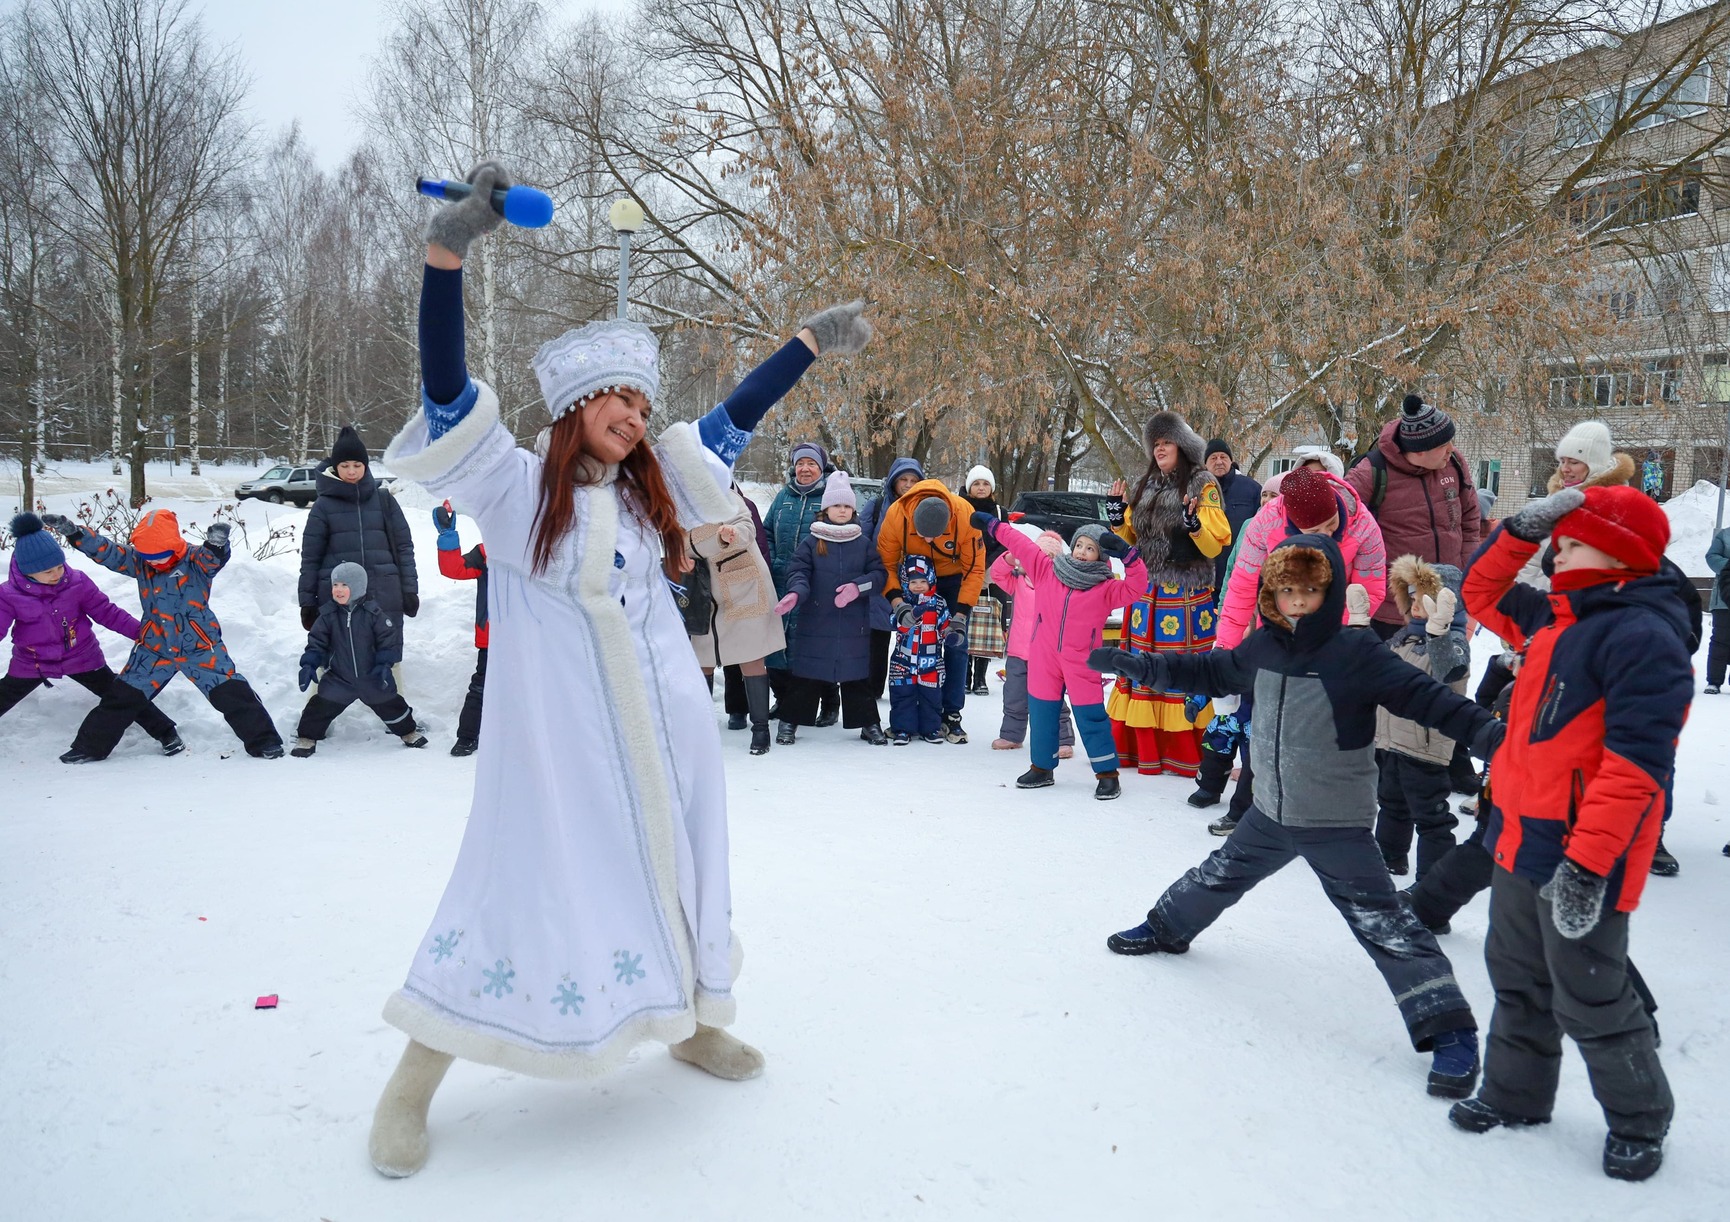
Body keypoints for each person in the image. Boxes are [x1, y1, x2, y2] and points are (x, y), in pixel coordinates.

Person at [364, 160, 870, 1179]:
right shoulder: (510, 490)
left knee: (679, 877)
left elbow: (733, 416)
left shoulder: (654, 494)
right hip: (558, 755)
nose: (635, 415)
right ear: (573, 408)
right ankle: (413, 1080)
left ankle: (684, 1021)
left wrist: (806, 343)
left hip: (667, 738)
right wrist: (447, 253)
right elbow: (443, 387)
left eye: (641, 402)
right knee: (516, 892)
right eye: (615, 400)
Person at [1091, 535, 1502, 1100]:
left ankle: (1450, 1030)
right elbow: (1212, 672)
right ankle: (1167, 928)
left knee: (1384, 923)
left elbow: (1428, 700)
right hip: (1270, 810)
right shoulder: (1264, 647)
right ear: (1272, 594)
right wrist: (1143, 665)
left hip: (1336, 822)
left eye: (1310, 591)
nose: (1297, 602)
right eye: (1286, 591)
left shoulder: (1356, 652)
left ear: (1328, 592)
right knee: (1221, 873)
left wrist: (1490, 736)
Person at [1452, 484, 1687, 1183]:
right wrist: (1520, 528)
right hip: (1519, 839)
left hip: (1586, 855)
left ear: (1617, 552)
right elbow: (1478, 591)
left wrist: (1588, 867)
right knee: (1517, 978)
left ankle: (1641, 1119)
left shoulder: (1643, 636)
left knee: (1590, 993)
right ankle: (1517, 1095)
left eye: (1572, 541)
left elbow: (1637, 768)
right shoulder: (1554, 623)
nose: (1557, 551)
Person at [41, 509, 282, 761]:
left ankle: (265, 742)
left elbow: (212, 559)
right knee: (122, 697)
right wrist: (76, 533)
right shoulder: (141, 562)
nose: (153, 563)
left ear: (174, 548)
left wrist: (216, 544)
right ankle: (88, 748)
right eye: (148, 558)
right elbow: (109, 552)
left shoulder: (194, 560)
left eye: (160, 557)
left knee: (233, 694)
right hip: (154, 646)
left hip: (199, 646)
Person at [976, 515, 1148, 800]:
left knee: (1090, 717)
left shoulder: (1105, 588)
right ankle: (1042, 768)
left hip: (1082, 662)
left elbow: (1137, 586)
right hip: (1043, 657)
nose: (1081, 550)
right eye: (1078, 544)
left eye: (1090, 548)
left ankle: (1107, 773)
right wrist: (994, 526)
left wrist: (1129, 556)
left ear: (1100, 556)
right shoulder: (1048, 570)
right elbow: (1021, 544)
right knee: (1042, 715)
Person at [1104, 411, 1231, 779]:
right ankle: (1142, 746)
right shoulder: (1148, 483)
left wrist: (1194, 526)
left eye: (1166, 443)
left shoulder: (1201, 481)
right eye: (1155, 444)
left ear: (1182, 446)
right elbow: (1134, 539)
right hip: (1146, 592)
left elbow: (1214, 544)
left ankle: (1185, 748)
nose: (1160, 450)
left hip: (1185, 593)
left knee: (1179, 665)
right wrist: (1118, 519)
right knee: (1142, 665)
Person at [1, 512, 180, 753]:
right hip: (32, 660)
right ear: (26, 572)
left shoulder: (77, 583)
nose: (57, 574)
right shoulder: (9, 595)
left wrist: (143, 633)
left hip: (82, 655)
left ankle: (165, 731)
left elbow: (107, 612)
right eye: (48, 572)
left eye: (59, 566)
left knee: (121, 693)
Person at [1187, 476, 1288, 835]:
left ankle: (1244, 806)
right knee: (1217, 740)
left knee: (1253, 750)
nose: (1269, 500)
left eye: (1276, 495)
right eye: (1265, 494)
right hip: (1230, 703)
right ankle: (1208, 786)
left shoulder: (1292, 541)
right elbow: (1234, 572)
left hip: (1260, 703)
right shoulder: (1250, 528)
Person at [1344, 393, 1480, 639]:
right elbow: (1339, 531)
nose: (1451, 450)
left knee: (1442, 676)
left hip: (1446, 603)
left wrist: (1467, 574)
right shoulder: (1370, 474)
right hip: (1392, 612)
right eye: (1442, 446)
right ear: (1418, 452)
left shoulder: (1454, 463)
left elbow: (1469, 520)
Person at [1373, 557, 1470, 879]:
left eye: (1422, 599)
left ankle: (1433, 881)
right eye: (1411, 598)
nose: (1415, 606)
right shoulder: (1404, 638)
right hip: (1391, 740)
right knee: (1391, 803)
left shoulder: (1452, 642)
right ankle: (1390, 858)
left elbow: (1450, 672)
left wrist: (1439, 633)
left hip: (1426, 746)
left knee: (1431, 815)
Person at [773, 472, 887, 744]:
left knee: (857, 676)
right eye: (837, 505)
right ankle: (789, 722)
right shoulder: (812, 542)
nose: (842, 510)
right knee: (807, 675)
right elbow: (798, 571)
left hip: (853, 624)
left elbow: (879, 576)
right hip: (817, 620)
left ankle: (869, 724)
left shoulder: (862, 543)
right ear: (825, 509)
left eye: (847, 506)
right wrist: (795, 593)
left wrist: (857, 588)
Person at [877, 473, 987, 743]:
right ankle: (909, 709)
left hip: (952, 578)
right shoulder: (896, 514)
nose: (928, 541)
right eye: (922, 535)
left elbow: (975, 569)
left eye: (934, 536)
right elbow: (886, 564)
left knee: (955, 644)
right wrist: (897, 602)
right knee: (910, 640)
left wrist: (961, 614)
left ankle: (951, 712)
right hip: (913, 578)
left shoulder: (965, 515)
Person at [290, 564, 427, 756]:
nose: (338, 590)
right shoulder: (328, 616)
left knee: (392, 704)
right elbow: (316, 643)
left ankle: (408, 732)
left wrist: (384, 663)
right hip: (339, 678)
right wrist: (309, 663)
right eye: (335, 584)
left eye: (344, 585)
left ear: (358, 587)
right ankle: (306, 738)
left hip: (372, 676)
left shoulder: (373, 614)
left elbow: (388, 641)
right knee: (318, 707)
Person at [688, 481, 783, 755]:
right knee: (701, 658)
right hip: (701, 591)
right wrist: (716, 537)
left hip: (743, 587)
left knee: (751, 654)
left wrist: (731, 533)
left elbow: (746, 527)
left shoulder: (728, 497)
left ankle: (761, 730)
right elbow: (683, 542)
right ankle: (701, 731)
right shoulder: (679, 504)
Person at [299, 425, 419, 625]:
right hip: (339, 599)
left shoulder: (384, 501)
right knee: (345, 654)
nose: (352, 472)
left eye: (357, 465)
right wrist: (307, 602)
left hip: (384, 595)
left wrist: (409, 590)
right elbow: (310, 558)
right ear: (336, 467)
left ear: (366, 465)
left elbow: (404, 548)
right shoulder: (323, 506)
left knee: (384, 653)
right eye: (345, 466)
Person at [764, 440, 837, 737]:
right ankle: (784, 701)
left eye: (811, 464)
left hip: (815, 582)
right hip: (781, 580)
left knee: (813, 645)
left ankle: (830, 702)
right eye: (800, 464)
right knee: (778, 644)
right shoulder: (783, 497)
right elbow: (766, 531)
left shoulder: (831, 497)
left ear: (821, 468)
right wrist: (771, 560)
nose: (805, 469)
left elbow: (840, 535)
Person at [989, 526, 1076, 758]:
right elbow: (996, 574)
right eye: (1040, 556)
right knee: (1015, 695)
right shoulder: (1018, 582)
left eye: (1050, 558)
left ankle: (1062, 739)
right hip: (1019, 650)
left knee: (1053, 697)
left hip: (1048, 653)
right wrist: (1010, 557)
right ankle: (1012, 735)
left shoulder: (1060, 584)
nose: (1044, 562)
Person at [859, 457, 926, 700]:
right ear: (893, 482)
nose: (908, 485)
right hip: (882, 580)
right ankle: (872, 688)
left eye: (913, 480)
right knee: (877, 638)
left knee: (911, 638)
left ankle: (906, 688)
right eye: (903, 480)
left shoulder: (926, 507)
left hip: (915, 583)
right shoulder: (877, 507)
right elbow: (863, 542)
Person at [433, 501, 488, 756]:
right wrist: (447, 537)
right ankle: (467, 736)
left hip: (534, 636)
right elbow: (453, 569)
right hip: (494, 637)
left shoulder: (544, 551)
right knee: (481, 687)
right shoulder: (487, 553)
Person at [887, 555, 950, 744]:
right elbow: (893, 623)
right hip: (903, 660)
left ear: (931, 579)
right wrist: (909, 615)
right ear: (906, 583)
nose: (919, 585)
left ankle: (930, 729)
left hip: (931, 660)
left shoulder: (938, 602)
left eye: (923, 581)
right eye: (913, 582)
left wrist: (950, 633)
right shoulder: (902, 602)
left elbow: (944, 624)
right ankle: (903, 729)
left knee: (931, 697)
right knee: (902, 695)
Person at [959, 464, 1005, 694]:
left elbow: (1006, 541)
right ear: (969, 487)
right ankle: (964, 675)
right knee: (965, 620)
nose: (981, 487)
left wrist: (986, 564)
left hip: (991, 572)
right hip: (964, 570)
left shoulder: (998, 512)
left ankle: (980, 677)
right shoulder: (960, 507)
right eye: (976, 483)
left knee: (987, 624)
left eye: (985, 483)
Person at [1203, 439, 1261, 595]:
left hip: (1239, 575)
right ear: (1205, 464)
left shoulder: (1251, 489)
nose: (1219, 461)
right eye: (1213, 458)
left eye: (1224, 457)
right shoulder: (1196, 489)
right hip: (1204, 579)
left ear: (1231, 461)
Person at [1708, 521, 1730, 695]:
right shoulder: (1724, 535)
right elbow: (1712, 557)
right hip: (1723, 599)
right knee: (1720, 639)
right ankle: (1714, 681)